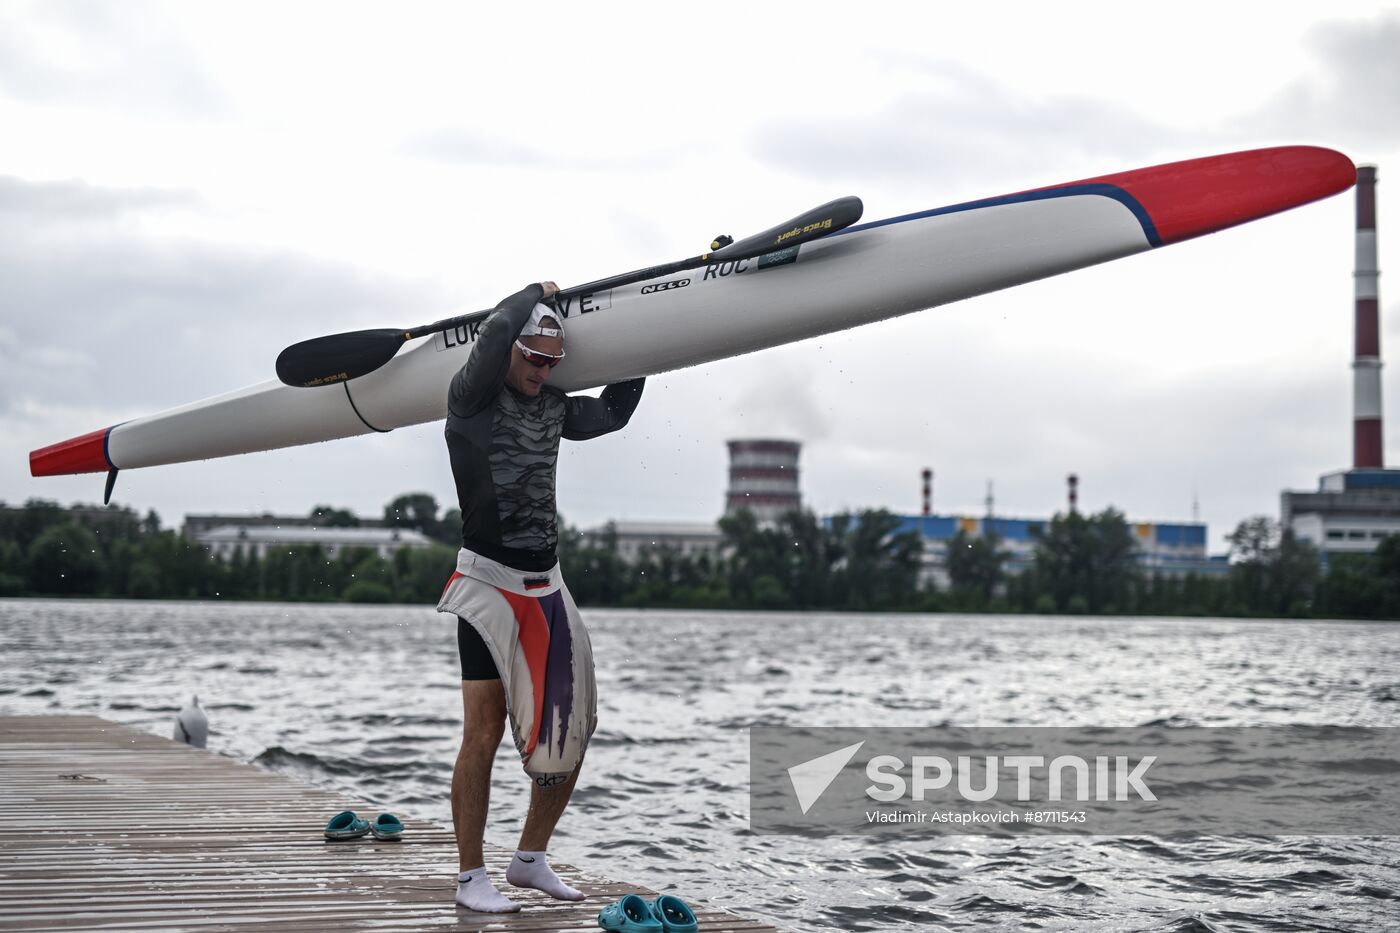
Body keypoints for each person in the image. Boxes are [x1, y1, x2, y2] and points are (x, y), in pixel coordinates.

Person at [436, 280, 644, 913]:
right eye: (534, 359)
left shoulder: (554, 406)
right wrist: (535, 290)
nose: (543, 371)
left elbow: (611, 413)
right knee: (484, 732)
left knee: (576, 723)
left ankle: (529, 859)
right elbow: (497, 329)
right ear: (512, 352)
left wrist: (653, 344)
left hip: (547, 584)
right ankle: (471, 878)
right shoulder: (470, 400)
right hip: (488, 582)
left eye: (553, 362)